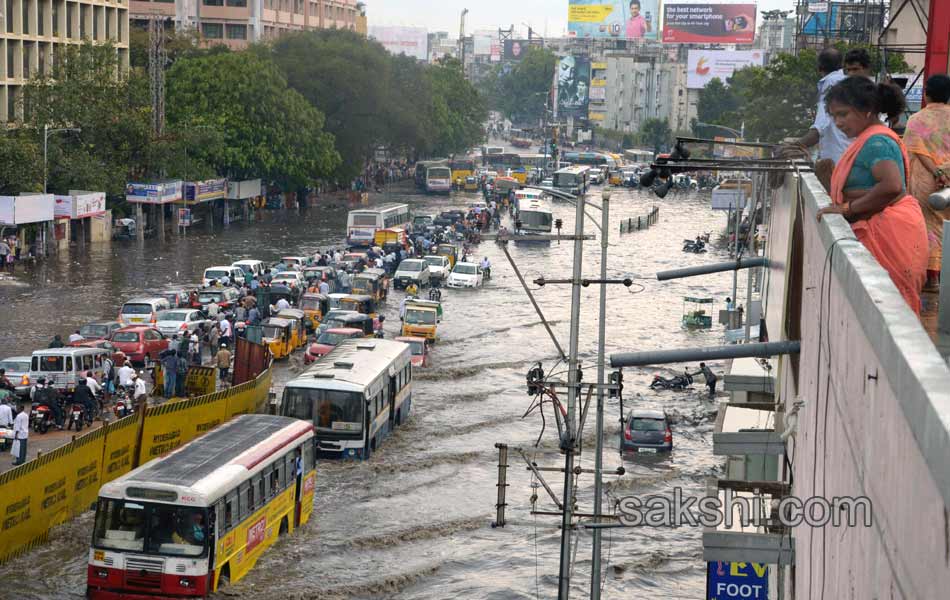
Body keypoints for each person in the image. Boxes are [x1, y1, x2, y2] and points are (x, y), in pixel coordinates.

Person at [817, 76, 928, 314]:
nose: (838, 122)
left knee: (890, 312)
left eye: (843, 114)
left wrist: (847, 208)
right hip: (885, 230)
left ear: (866, 110)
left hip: (889, 234)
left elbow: (891, 186)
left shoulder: (876, 142)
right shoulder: (867, 140)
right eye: (834, 116)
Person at [903, 74, 950, 291]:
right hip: (948, 180)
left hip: (926, 182)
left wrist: (936, 173)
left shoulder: (917, 120)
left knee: (927, 227)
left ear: (926, 93)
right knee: (946, 227)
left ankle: (932, 279)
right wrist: (945, 173)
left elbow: (917, 150)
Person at [780, 48, 852, 186]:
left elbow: (820, 128)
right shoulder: (846, 81)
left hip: (837, 163)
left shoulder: (831, 83)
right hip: (848, 159)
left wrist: (796, 145)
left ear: (819, 67)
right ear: (841, 65)